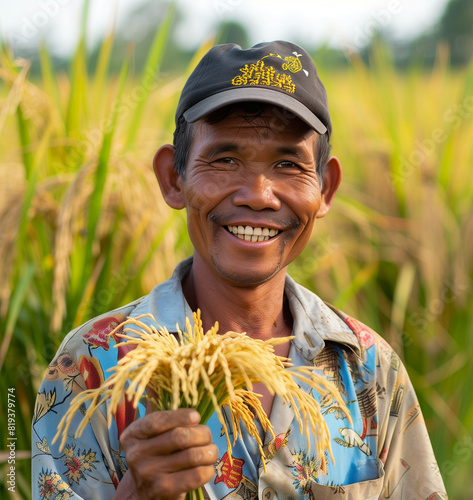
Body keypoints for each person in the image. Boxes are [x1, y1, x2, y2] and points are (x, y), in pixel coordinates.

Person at [32, 40, 448, 500]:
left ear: (325, 189)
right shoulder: (95, 366)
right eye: (225, 160)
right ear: (174, 177)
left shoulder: (368, 369)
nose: (258, 194)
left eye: (288, 164)